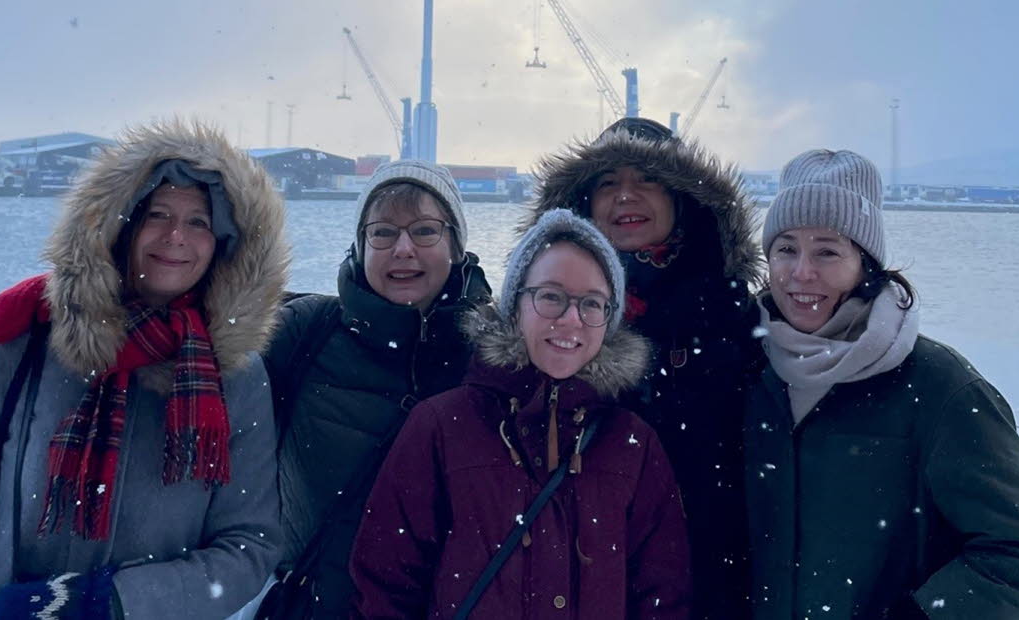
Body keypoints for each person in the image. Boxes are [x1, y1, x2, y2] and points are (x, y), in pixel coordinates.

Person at [0, 120, 289, 619]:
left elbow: (248, 546)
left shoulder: (234, 375)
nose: (174, 236)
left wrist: (114, 603)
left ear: (224, 246)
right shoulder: (30, 339)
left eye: (199, 222)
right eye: (157, 214)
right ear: (121, 226)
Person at [744, 149, 1019, 619]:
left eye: (827, 251)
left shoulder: (940, 386)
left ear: (865, 264)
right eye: (786, 248)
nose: (801, 272)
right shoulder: (741, 370)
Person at [350, 209, 690, 619]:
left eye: (592, 304)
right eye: (550, 296)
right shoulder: (440, 427)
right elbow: (385, 583)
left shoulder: (633, 443)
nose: (570, 319)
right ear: (514, 306)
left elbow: (663, 596)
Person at [527, 116, 763, 616]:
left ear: (682, 197)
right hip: (572, 580)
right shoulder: (544, 316)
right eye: (608, 183)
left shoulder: (733, 317)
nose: (626, 196)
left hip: (707, 580)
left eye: (647, 180)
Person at [256, 160, 493, 619]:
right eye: (383, 232)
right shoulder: (306, 332)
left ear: (457, 247)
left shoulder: (495, 357)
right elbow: (213, 356)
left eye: (425, 231)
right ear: (360, 246)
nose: (403, 248)